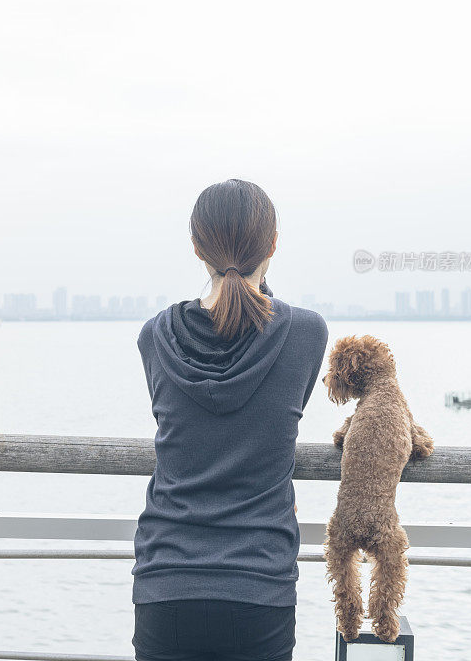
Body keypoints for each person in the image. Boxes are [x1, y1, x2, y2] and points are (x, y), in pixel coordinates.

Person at [131, 179, 329, 661]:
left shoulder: (155, 337)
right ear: (274, 244)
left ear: (197, 248)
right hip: (258, 586)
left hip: (166, 583)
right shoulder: (305, 334)